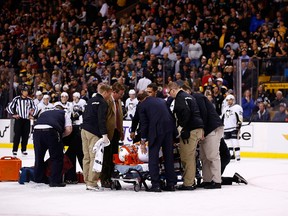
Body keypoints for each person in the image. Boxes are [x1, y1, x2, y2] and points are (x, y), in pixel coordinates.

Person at [167, 82, 204, 190]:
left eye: (169, 92)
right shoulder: (189, 97)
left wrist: (182, 128)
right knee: (190, 156)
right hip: (196, 128)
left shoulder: (180, 98)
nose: (169, 95)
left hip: (191, 129)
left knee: (187, 157)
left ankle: (188, 183)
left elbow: (185, 113)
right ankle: (190, 180)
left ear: (173, 90)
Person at [138, 91, 177, 192]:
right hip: (168, 129)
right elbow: (171, 116)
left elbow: (144, 124)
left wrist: (142, 141)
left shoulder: (142, 105)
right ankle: (171, 183)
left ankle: (156, 184)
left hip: (156, 131)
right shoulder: (161, 101)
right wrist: (174, 134)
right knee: (168, 156)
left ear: (140, 100)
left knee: (153, 156)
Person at [191, 89, 224, 189]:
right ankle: (207, 180)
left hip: (211, 129)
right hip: (205, 130)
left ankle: (217, 181)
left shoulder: (197, 97)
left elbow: (204, 114)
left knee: (212, 156)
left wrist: (203, 130)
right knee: (204, 157)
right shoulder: (193, 99)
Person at [81, 84, 112, 191]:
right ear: (106, 92)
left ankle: (87, 180)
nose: (110, 96)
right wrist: (104, 134)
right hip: (94, 132)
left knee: (86, 157)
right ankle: (92, 183)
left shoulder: (90, 100)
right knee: (95, 156)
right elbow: (101, 119)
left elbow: (84, 115)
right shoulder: (103, 102)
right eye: (110, 94)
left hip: (84, 130)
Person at [33, 105, 72, 187]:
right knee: (56, 157)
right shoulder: (64, 113)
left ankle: (38, 179)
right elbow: (68, 130)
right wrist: (60, 136)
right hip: (51, 131)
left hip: (36, 131)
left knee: (39, 157)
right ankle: (55, 181)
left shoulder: (44, 112)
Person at [101, 82, 125, 188]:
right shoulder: (107, 101)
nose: (121, 96)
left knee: (114, 156)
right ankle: (104, 178)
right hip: (107, 132)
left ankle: (112, 176)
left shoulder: (118, 101)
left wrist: (121, 131)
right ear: (114, 92)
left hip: (116, 132)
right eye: (120, 94)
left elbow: (120, 117)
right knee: (106, 157)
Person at [6, 85, 37, 156]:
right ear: (21, 92)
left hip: (26, 120)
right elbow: (9, 107)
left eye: (27, 91)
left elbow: (35, 108)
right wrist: (13, 114)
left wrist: (32, 115)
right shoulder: (16, 99)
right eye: (25, 91)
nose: (26, 92)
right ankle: (14, 150)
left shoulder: (30, 100)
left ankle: (23, 150)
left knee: (25, 135)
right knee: (17, 135)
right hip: (19, 120)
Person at [64, 92, 87, 184]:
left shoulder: (82, 104)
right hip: (77, 131)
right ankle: (87, 176)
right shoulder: (69, 107)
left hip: (77, 131)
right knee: (77, 154)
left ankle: (72, 177)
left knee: (73, 154)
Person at [222, 94, 243, 161]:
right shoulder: (225, 109)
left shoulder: (237, 107)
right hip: (226, 128)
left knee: (235, 141)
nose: (229, 101)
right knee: (228, 142)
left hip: (234, 128)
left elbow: (240, 118)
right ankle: (231, 155)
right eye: (227, 100)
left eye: (230, 100)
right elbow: (223, 118)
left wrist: (239, 126)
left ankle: (237, 155)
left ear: (233, 100)